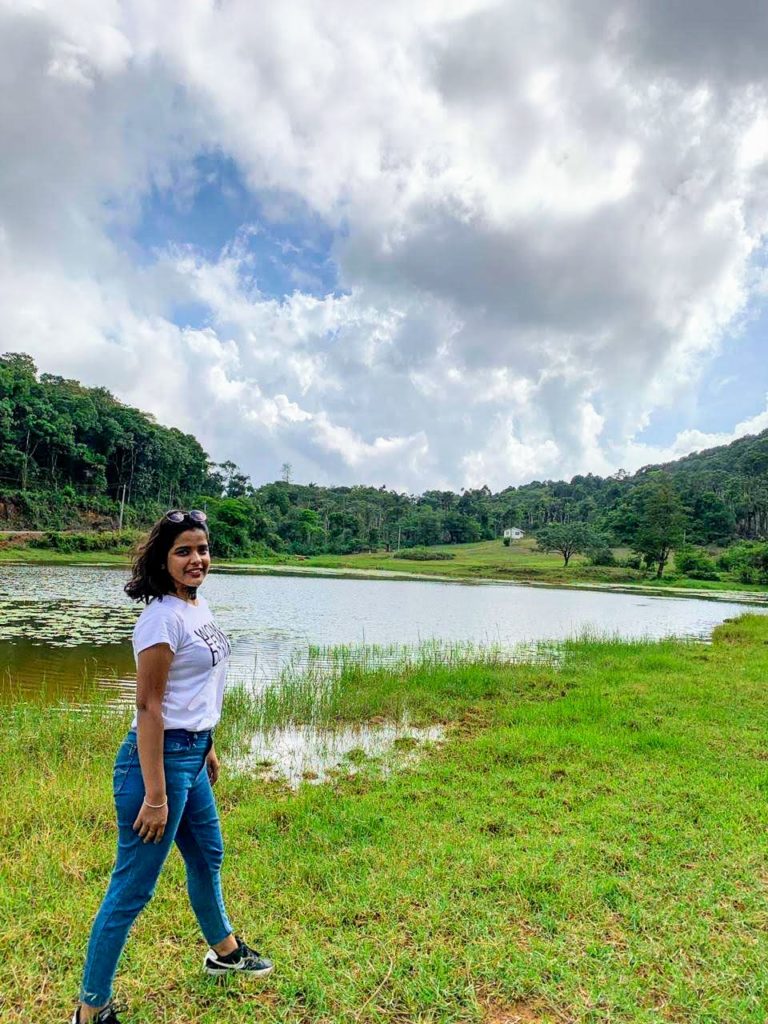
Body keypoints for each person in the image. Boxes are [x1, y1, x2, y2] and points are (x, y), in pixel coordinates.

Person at [73, 509, 273, 1024]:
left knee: (208, 856)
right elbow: (148, 709)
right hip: (156, 765)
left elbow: (196, 688)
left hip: (192, 753)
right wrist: (156, 796)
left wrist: (208, 742)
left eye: (202, 549)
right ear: (164, 560)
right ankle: (89, 1009)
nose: (196, 559)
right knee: (131, 888)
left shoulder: (196, 607)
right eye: (183, 551)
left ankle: (224, 953)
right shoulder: (160, 618)